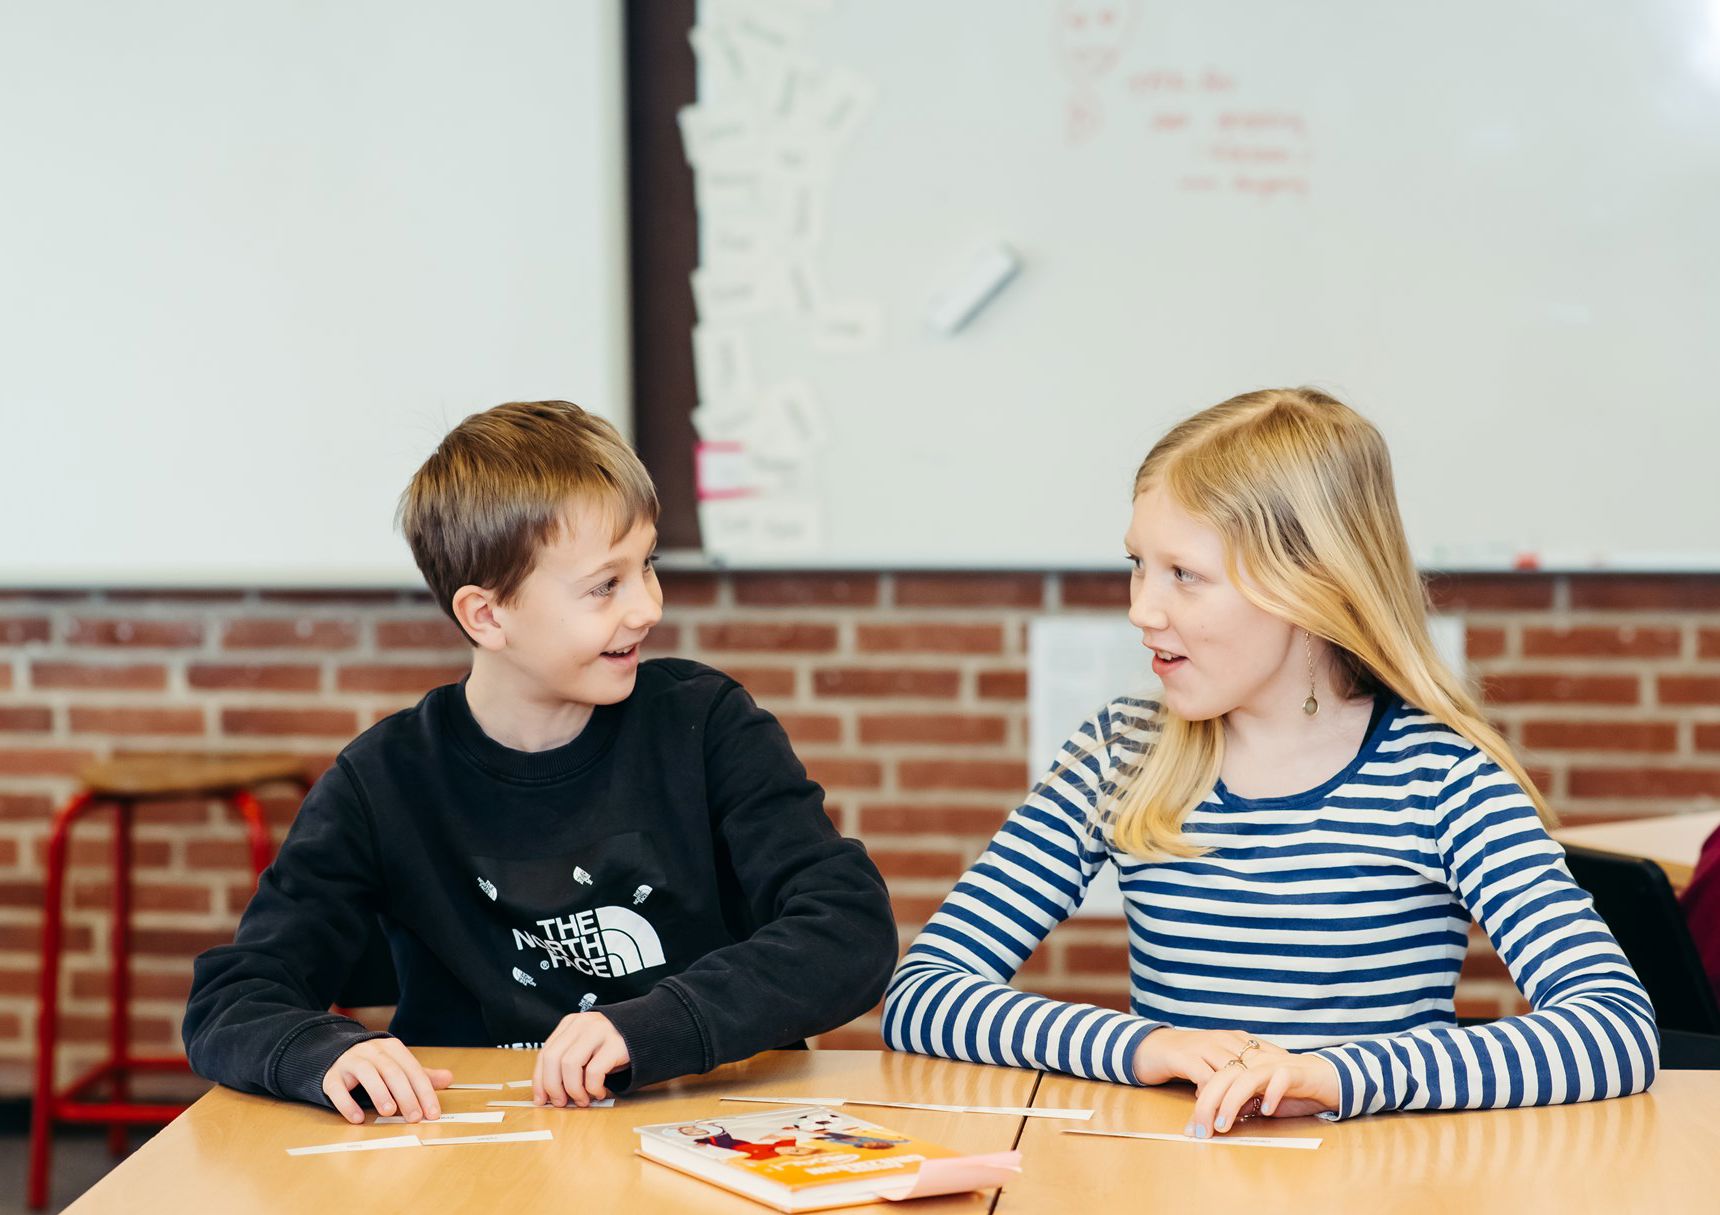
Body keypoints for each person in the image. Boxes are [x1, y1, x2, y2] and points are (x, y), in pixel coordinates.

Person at [882, 387, 1657, 1135]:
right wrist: (1145, 1046)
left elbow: (1614, 1028)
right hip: (1177, 1187)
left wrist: (1335, 1075)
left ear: (1307, 587)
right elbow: (922, 993)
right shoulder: (1120, 751)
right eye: (1138, 563)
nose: (1141, 607)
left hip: (1380, 1193)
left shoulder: (1442, 778)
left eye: (1184, 575)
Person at [185, 401, 897, 1123]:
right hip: (480, 1149)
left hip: (705, 1123)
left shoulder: (706, 724)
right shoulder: (383, 780)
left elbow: (849, 930)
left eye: (647, 565)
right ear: (487, 615)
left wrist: (658, 1024)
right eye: (605, 585)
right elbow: (234, 996)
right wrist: (321, 1050)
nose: (647, 608)